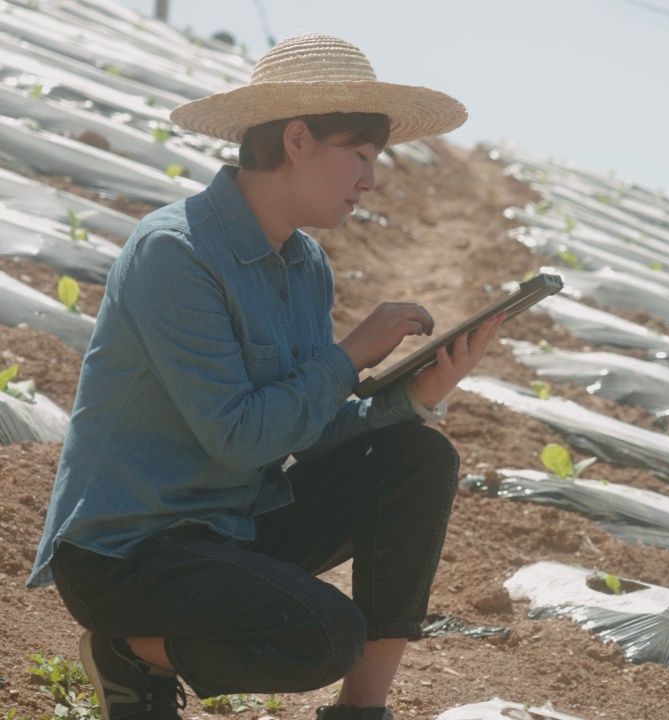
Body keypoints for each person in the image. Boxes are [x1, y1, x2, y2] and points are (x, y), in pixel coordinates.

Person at [26, 33, 499, 720]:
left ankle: (363, 711)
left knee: (417, 456)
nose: (370, 182)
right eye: (361, 158)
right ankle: (127, 651)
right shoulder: (176, 254)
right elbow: (243, 440)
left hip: (232, 527)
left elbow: (309, 424)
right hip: (130, 556)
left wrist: (415, 398)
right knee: (323, 636)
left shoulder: (304, 264)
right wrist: (353, 353)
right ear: (299, 140)